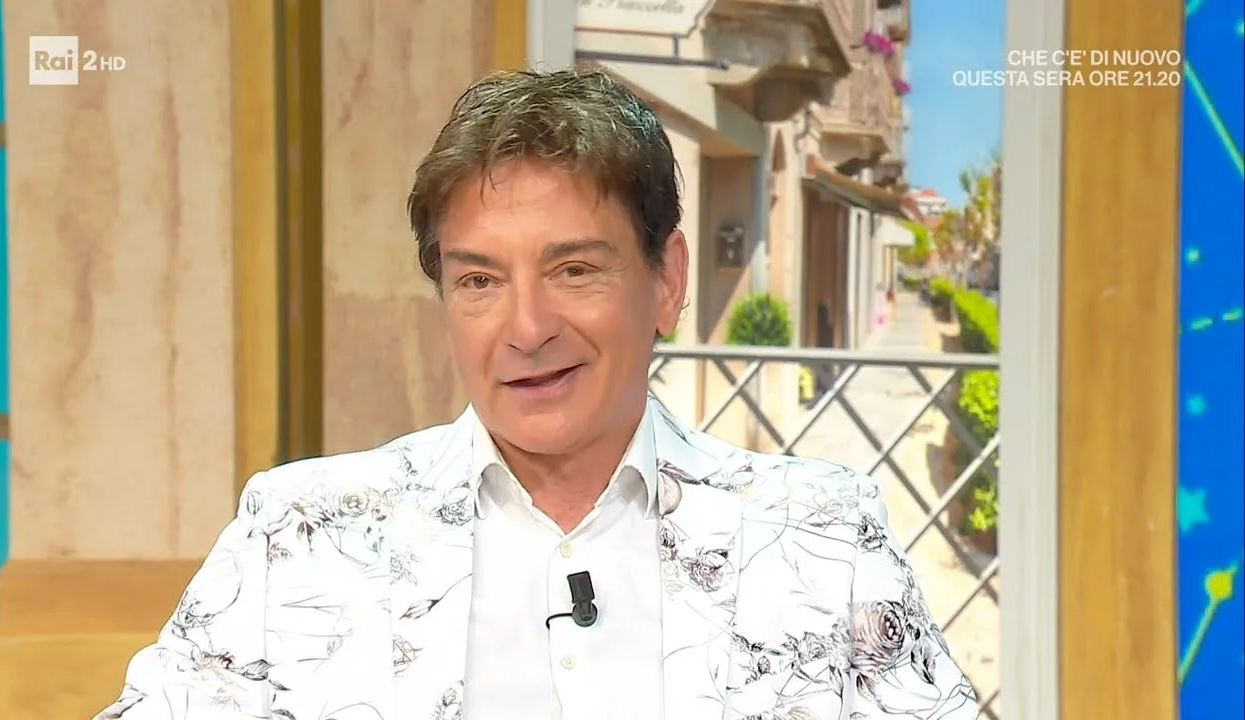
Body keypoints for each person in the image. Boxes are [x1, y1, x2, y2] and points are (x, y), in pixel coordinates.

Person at [98, 69, 977, 720]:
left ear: (666, 279)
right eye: (479, 281)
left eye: (574, 270)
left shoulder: (824, 538)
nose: (526, 328)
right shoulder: (296, 535)